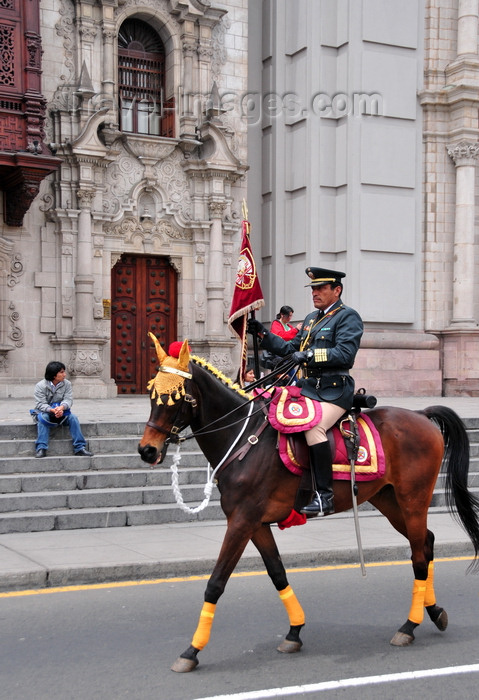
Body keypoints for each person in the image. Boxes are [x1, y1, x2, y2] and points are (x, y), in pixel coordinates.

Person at [248, 266, 363, 516]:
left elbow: (345, 354)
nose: (315, 292)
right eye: (313, 288)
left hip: (334, 392)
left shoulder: (347, 317)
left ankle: (325, 496)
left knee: (314, 427)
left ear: (337, 290)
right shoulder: (312, 319)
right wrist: (263, 334)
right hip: (308, 389)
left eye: (321, 288)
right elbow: (290, 349)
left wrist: (309, 354)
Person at [32, 361, 92, 458]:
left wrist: (61, 408)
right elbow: (40, 404)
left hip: (62, 412)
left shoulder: (67, 384)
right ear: (54, 375)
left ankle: (80, 447)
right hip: (46, 412)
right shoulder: (40, 386)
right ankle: (41, 448)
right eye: (61, 372)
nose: (64, 374)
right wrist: (52, 410)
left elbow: (68, 399)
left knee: (73, 418)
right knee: (43, 419)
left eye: (64, 372)